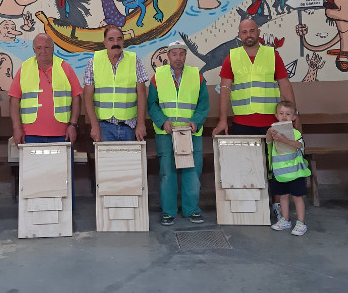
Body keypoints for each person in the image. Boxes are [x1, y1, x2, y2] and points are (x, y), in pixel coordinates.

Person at [213, 18, 296, 220]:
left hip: (272, 123)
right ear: (239, 35)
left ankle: (276, 205)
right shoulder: (231, 57)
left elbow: (284, 85)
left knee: (275, 167)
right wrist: (223, 120)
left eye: (252, 31)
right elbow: (224, 90)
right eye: (244, 32)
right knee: (246, 167)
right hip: (243, 124)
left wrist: (293, 116)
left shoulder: (272, 55)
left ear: (258, 32)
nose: (248, 35)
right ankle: (252, 206)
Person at [9, 34, 83, 203]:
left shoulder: (65, 67)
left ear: (53, 48)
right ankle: (34, 217)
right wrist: (16, 128)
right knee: (34, 178)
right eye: (39, 48)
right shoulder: (25, 68)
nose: (43, 51)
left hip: (61, 135)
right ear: (34, 49)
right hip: (31, 135)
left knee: (61, 178)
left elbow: (76, 97)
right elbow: (14, 99)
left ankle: (65, 217)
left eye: (47, 47)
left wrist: (73, 125)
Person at [147, 40, 209, 226]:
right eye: (174, 54)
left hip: (191, 133)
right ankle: (168, 212)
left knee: (192, 172)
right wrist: (162, 121)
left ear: (185, 56)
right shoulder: (157, 76)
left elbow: (203, 105)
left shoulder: (197, 76)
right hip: (166, 133)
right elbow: (152, 104)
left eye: (181, 54)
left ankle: (191, 210)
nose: (178, 58)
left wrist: (196, 122)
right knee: (168, 172)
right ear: (168, 56)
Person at [84, 25, 148, 142]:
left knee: (128, 160)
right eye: (111, 39)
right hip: (103, 126)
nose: (116, 43)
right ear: (104, 42)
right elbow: (87, 96)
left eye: (119, 39)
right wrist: (94, 126)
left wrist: (141, 124)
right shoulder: (93, 62)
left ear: (123, 41)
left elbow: (142, 95)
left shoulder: (135, 60)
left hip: (129, 125)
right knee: (107, 160)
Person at [267, 100, 311, 236]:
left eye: (288, 114)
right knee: (283, 197)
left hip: (296, 173)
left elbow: (299, 146)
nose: (284, 116)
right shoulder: (274, 133)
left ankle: (301, 223)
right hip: (281, 173)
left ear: (293, 117)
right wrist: (269, 131)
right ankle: (285, 220)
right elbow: (268, 140)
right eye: (281, 113)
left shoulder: (296, 133)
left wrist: (284, 140)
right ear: (276, 115)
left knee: (297, 197)